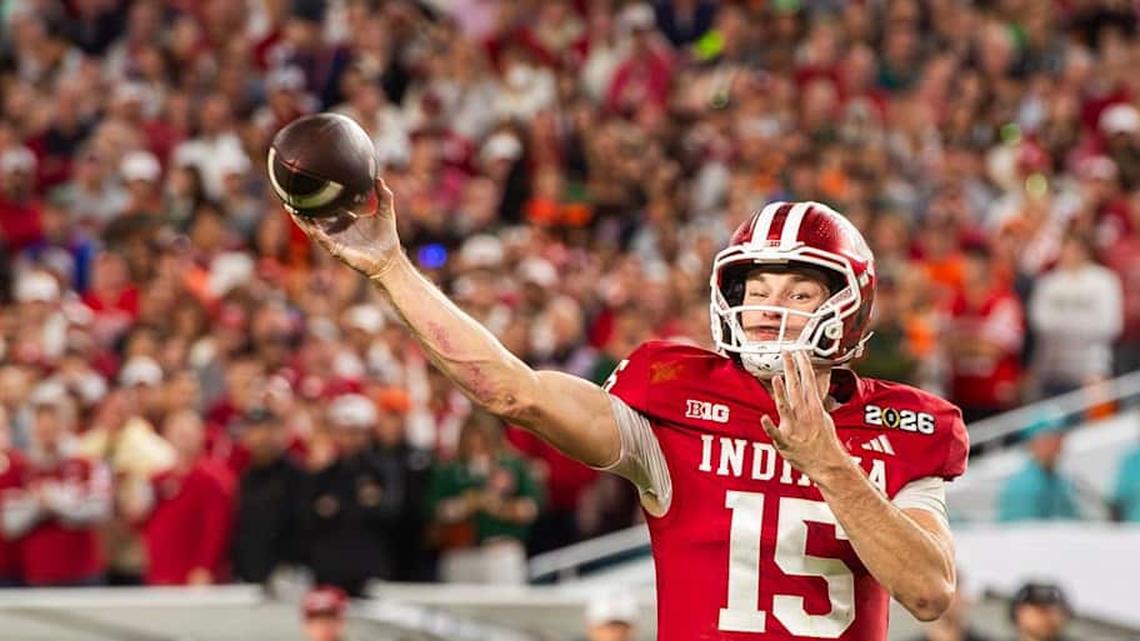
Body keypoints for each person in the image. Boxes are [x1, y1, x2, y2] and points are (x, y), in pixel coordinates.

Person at [291, 182, 967, 638]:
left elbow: (930, 591)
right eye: (756, 286)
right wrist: (392, 269)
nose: (768, 308)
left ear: (848, 307)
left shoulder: (907, 426)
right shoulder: (675, 391)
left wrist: (829, 463)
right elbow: (514, 392)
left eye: (797, 291)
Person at [302, 393, 404, 596]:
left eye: (356, 432)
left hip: (369, 570)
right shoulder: (324, 474)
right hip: (330, 571)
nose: (350, 438)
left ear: (367, 433)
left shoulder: (383, 471)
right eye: (344, 432)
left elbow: (393, 513)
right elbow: (308, 518)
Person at [997, 416, 1081, 522]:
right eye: (1048, 439)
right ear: (1033, 443)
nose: (1056, 444)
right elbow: (1024, 529)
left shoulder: (1063, 482)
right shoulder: (1021, 485)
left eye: (1058, 438)